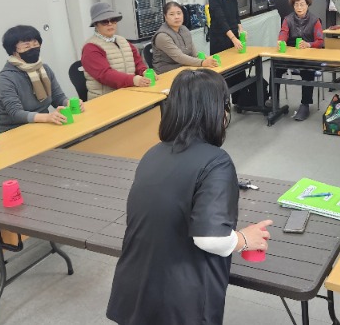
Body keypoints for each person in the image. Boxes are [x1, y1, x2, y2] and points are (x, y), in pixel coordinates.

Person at [106, 69, 272, 325]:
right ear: (218, 111)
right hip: (179, 304)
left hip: (134, 291)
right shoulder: (217, 162)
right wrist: (244, 239)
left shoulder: (152, 154)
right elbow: (211, 238)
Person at [0, 25, 83, 133]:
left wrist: (69, 103)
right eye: (27, 46)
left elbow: (58, 97)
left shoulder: (44, 69)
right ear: (14, 51)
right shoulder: (6, 78)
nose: (33, 49)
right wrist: (46, 117)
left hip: (43, 125)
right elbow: (16, 113)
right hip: (16, 130)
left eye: (35, 44)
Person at [81, 2, 152, 99]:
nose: (110, 24)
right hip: (104, 99)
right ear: (96, 25)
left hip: (129, 92)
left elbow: (137, 62)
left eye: (113, 20)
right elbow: (105, 75)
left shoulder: (122, 40)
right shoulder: (90, 48)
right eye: (104, 21)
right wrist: (133, 80)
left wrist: (144, 72)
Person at [275, 0, 324, 121]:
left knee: (308, 70)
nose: (299, 7)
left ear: (307, 5)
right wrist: (281, 41)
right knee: (275, 66)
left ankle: (305, 104)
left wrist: (309, 44)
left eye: (302, 4)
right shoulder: (288, 19)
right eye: (296, 4)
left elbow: (320, 41)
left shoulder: (315, 20)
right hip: (292, 55)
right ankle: (273, 100)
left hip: (309, 56)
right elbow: (283, 32)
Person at [207, 0, 246, 104]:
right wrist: (234, 38)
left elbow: (236, 15)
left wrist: (240, 28)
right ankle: (223, 104)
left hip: (233, 36)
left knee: (239, 68)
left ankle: (240, 100)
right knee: (224, 72)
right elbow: (221, 21)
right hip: (220, 39)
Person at [152, 1, 219, 74]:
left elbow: (194, 53)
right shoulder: (162, 36)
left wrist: (206, 59)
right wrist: (202, 63)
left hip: (184, 67)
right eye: (171, 14)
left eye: (179, 13)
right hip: (167, 72)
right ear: (165, 17)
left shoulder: (184, 29)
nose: (177, 17)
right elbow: (179, 57)